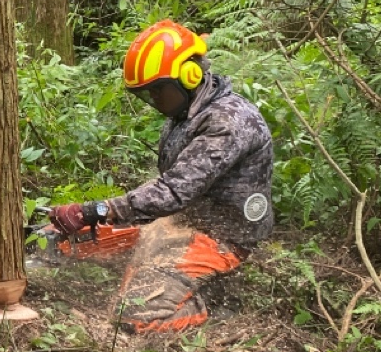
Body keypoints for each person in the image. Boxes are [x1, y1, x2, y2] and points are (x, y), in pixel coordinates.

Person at [48, 20, 274, 334]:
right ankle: (152, 270)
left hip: (220, 238)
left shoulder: (228, 121)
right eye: (148, 93)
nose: (154, 100)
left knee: (135, 315)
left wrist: (96, 210)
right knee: (61, 240)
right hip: (179, 221)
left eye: (158, 90)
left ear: (189, 76)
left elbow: (173, 191)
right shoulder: (186, 113)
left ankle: (211, 303)